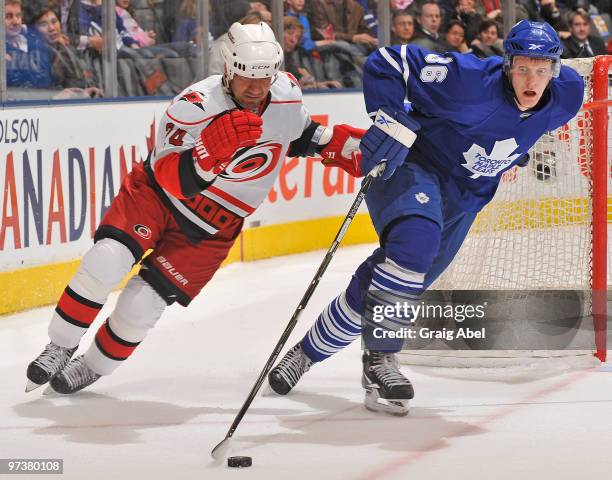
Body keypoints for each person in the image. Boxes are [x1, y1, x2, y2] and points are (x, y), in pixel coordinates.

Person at [25, 22, 365, 395]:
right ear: (228, 69)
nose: (255, 89)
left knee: (141, 308)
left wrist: (346, 148)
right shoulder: (193, 106)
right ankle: (60, 344)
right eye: (246, 78)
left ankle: (92, 366)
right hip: (157, 197)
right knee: (106, 260)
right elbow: (170, 177)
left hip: (213, 226)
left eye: (264, 78)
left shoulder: (285, 94)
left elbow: (298, 133)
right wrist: (205, 159)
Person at [268, 21, 584, 416]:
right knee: (413, 250)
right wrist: (389, 118)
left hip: (467, 199)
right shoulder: (467, 81)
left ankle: (307, 352)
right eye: (522, 67)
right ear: (507, 65)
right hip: (415, 166)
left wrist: (515, 154)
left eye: (541, 69)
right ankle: (382, 358)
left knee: (393, 283)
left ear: (555, 70)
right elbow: (387, 60)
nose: (531, 79)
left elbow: (525, 129)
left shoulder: (568, 93)